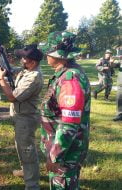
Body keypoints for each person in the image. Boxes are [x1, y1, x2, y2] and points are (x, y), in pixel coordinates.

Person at [40, 31, 91, 190]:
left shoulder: (70, 79)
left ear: (58, 55)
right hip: (62, 148)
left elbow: (69, 125)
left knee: (64, 184)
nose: (46, 55)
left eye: (48, 52)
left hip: (65, 152)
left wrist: (55, 157)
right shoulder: (64, 73)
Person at [0, 44, 44, 190]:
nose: (21, 60)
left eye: (24, 58)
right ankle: (26, 172)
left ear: (33, 62)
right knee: (21, 146)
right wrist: (0, 54)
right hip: (20, 116)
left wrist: (0, 80)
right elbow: (8, 68)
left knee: (27, 150)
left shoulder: (34, 77)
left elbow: (12, 97)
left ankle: (32, 184)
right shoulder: (27, 70)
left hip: (26, 118)